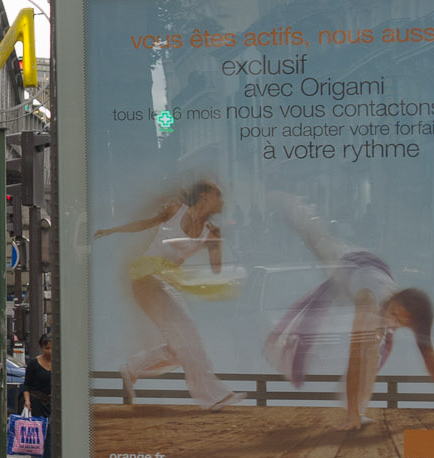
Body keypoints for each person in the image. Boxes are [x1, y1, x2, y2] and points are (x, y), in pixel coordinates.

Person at [264, 195, 434, 430]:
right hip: (345, 264)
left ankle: (356, 409)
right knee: (315, 238)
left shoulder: (413, 310)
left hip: (367, 270)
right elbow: (354, 360)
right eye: (396, 316)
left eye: (402, 322)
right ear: (396, 302)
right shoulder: (370, 302)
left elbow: (428, 356)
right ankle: (293, 206)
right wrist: (352, 416)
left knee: (373, 353)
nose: (397, 324)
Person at [93, 180, 244, 410]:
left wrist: (216, 244)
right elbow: (144, 224)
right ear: (203, 196)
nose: (222, 201)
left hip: (167, 283)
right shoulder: (176, 210)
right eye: (218, 195)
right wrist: (113, 230)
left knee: (180, 347)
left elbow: (216, 268)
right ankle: (212, 396)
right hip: (145, 279)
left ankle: (133, 368)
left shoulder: (209, 231)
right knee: (189, 337)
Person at [22, 333, 54, 458]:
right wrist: (27, 401)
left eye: (53, 348)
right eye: (47, 348)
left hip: (52, 402)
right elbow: (26, 385)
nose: (50, 351)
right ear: (42, 347)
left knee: (50, 434)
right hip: (37, 401)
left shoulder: (59, 363)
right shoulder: (34, 364)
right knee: (37, 433)